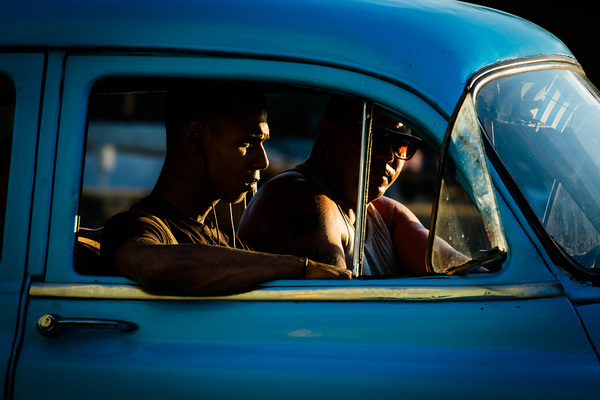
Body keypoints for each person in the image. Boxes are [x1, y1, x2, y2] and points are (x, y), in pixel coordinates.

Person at [100, 84, 351, 296]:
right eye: (248, 142)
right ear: (196, 139)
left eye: (263, 143)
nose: (262, 161)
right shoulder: (138, 226)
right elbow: (153, 266)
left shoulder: (225, 241)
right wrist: (300, 267)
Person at [238, 95, 466, 276]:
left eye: (402, 144)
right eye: (374, 137)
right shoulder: (304, 199)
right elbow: (339, 319)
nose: (388, 156)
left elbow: (465, 272)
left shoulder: (383, 214)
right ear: (327, 135)